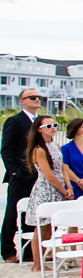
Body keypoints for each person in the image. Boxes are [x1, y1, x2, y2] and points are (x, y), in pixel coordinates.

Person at [21, 114, 73, 269]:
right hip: (45, 189)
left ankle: (42, 260)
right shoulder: (38, 150)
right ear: (39, 130)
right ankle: (37, 264)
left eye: (54, 125)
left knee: (52, 226)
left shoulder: (55, 146)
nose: (53, 128)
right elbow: (48, 175)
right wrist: (63, 190)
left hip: (59, 188)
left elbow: (63, 168)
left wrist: (68, 187)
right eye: (48, 126)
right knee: (42, 227)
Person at [2, 86, 45, 261]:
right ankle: (7, 251)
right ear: (22, 101)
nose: (37, 99)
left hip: (38, 175)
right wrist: (14, 172)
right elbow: (7, 149)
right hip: (20, 175)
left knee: (32, 214)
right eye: (32, 97)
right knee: (13, 213)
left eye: (38, 97)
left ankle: (29, 253)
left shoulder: (41, 122)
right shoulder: (15, 121)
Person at [60, 117, 83, 200]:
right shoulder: (65, 149)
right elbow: (65, 169)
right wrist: (80, 183)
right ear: (75, 130)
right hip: (74, 184)